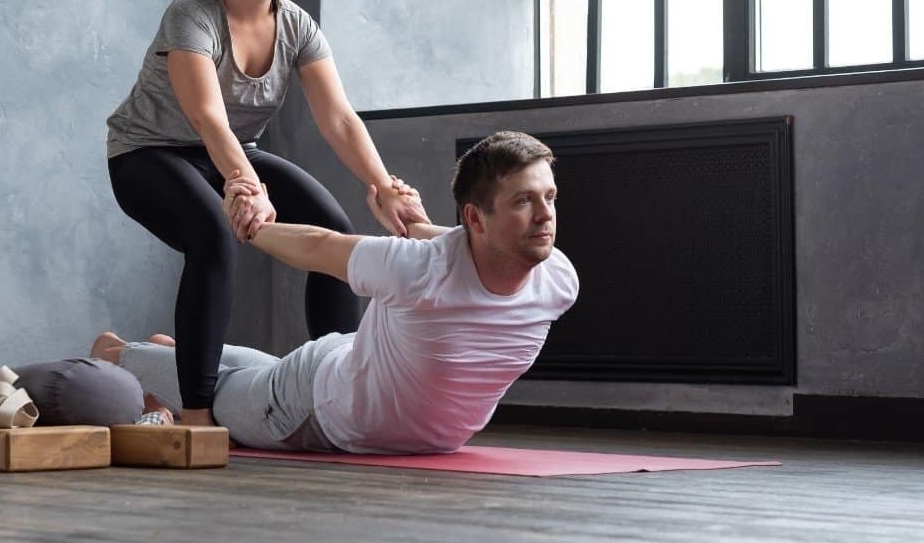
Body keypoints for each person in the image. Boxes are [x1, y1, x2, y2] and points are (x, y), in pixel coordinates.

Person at [105, 0, 428, 427]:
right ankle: (196, 415)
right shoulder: (193, 14)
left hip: (231, 155)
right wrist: (246, 184)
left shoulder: (296, 25)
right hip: (147, 154)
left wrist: (384, 187)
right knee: (212, 236)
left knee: (333, 228)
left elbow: (339, 117)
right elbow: (207, 115)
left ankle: (341, 390)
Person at [92, 131, 579, 454]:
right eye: (524, 201)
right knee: (217, 393)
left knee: (244, 372)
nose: (545, 215)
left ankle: (169, 352)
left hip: (355, 364)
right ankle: (117, 354)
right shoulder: (416, 270)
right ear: (476, 217)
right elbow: (320, 245)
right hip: (309, 408)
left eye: (550, 197)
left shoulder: (558, 279)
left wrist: (416, 225)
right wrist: (247, 226)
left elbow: (461, 247)